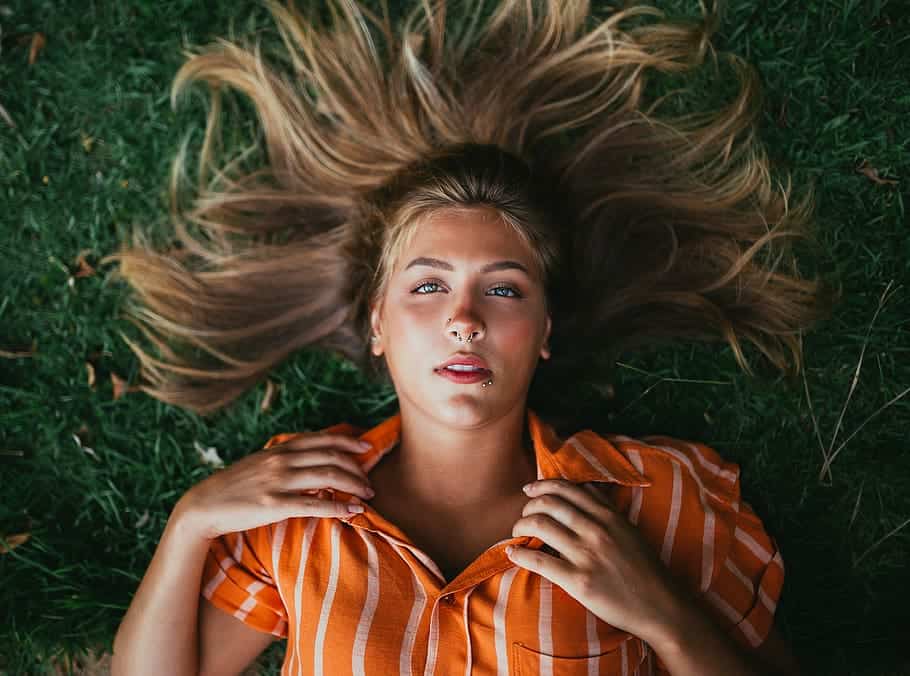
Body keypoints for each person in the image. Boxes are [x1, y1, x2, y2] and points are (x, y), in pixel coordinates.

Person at [105, 0, 837, 673]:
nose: (464, 317)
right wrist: (190, 521)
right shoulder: (297, 506)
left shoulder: (657, 499)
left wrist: (663, 614)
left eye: (503, 288)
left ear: (543, 331)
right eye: (427, 285)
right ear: (379, 325)